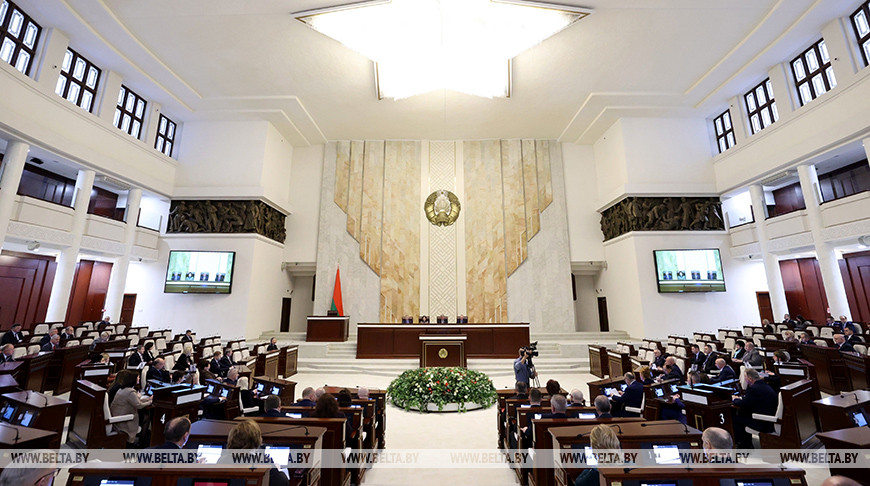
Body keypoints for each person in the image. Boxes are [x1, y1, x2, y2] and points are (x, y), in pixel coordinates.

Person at [221, 420, 289, 486]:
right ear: (257, 440)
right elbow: (282, 482)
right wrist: (276, 470)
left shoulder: (222, 461)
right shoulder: (263, 462)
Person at [732, 368, 777, 448]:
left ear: (750, 379)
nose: (745, 380)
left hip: (763, 422)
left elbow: (743, 404)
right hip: (769, 419)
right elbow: (750, 400)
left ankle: (744, 445)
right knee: (743, 414)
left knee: (735, 419)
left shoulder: (753, 389)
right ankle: (747, 442)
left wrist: (734, 399)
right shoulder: (765, 385)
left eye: (745, 377)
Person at [110, 368, 153, 446]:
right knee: (146, 417)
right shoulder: (130, 391)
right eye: (138, 377)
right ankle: (141, 443)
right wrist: (150, 402)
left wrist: (148, 399)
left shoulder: (122, 389)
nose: (139, 378)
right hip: (123, 419)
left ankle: (142, 439)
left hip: (117, 414)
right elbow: (139, 405)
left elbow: (135, 401)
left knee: (145, 415)